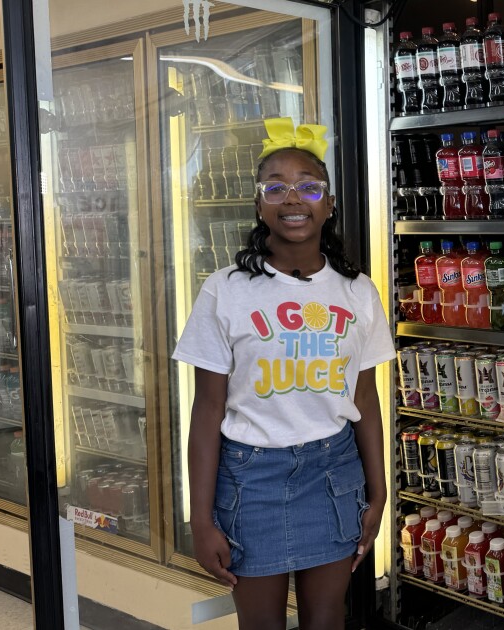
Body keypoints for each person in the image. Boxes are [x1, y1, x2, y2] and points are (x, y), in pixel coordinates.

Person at [172, 118, 395, 629]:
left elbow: (366, 400)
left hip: (334, 474)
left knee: (326, 622)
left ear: (329, 204)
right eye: (276, 187)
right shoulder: (225, 290)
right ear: (258, 205)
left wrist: (378, 494)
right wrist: (200, 518)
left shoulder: (358, 292)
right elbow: (207, 408)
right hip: (250, 480)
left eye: (309, 187)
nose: (293, 198)